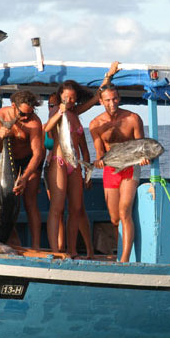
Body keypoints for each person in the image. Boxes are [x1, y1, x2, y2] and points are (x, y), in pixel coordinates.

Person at [89, 63, 150, 263]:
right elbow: (100, 153)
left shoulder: (133, 118)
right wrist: (98, 161)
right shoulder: (95, 124)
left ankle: (124, 259)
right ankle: (120, 252)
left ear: (119, 98)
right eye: (107, 100)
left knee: (125, 212)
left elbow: (141, 145)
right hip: (111, 169)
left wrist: (144, 158)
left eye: (115, 98)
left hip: (130, 168)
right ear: (101, 101)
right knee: (115, 219)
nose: (112, 103)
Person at [44, 81, 94, 259]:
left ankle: (72, 250)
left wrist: (88, 172)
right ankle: (55, 251)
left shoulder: (76, 114)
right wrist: (60, 111)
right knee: (57, 208)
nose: (69, 100)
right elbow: (47, 127)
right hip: (59, 162)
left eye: (73, 97)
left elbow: (84, 147)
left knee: (76, 209)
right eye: (66, 97)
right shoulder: (55, 110)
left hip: (75, 164)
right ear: (60, 96)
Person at [0, 90, 44, 249]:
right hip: (8, 162)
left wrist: (25, 177)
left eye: (30, 113)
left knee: (30, 201)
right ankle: (5, 241)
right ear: (13, 106)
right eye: (23, 114)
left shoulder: (34, 123)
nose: (26, 117)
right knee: (4, 202)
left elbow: (38, 154)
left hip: (30, 161)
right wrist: (0, 137)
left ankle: (35, 246)